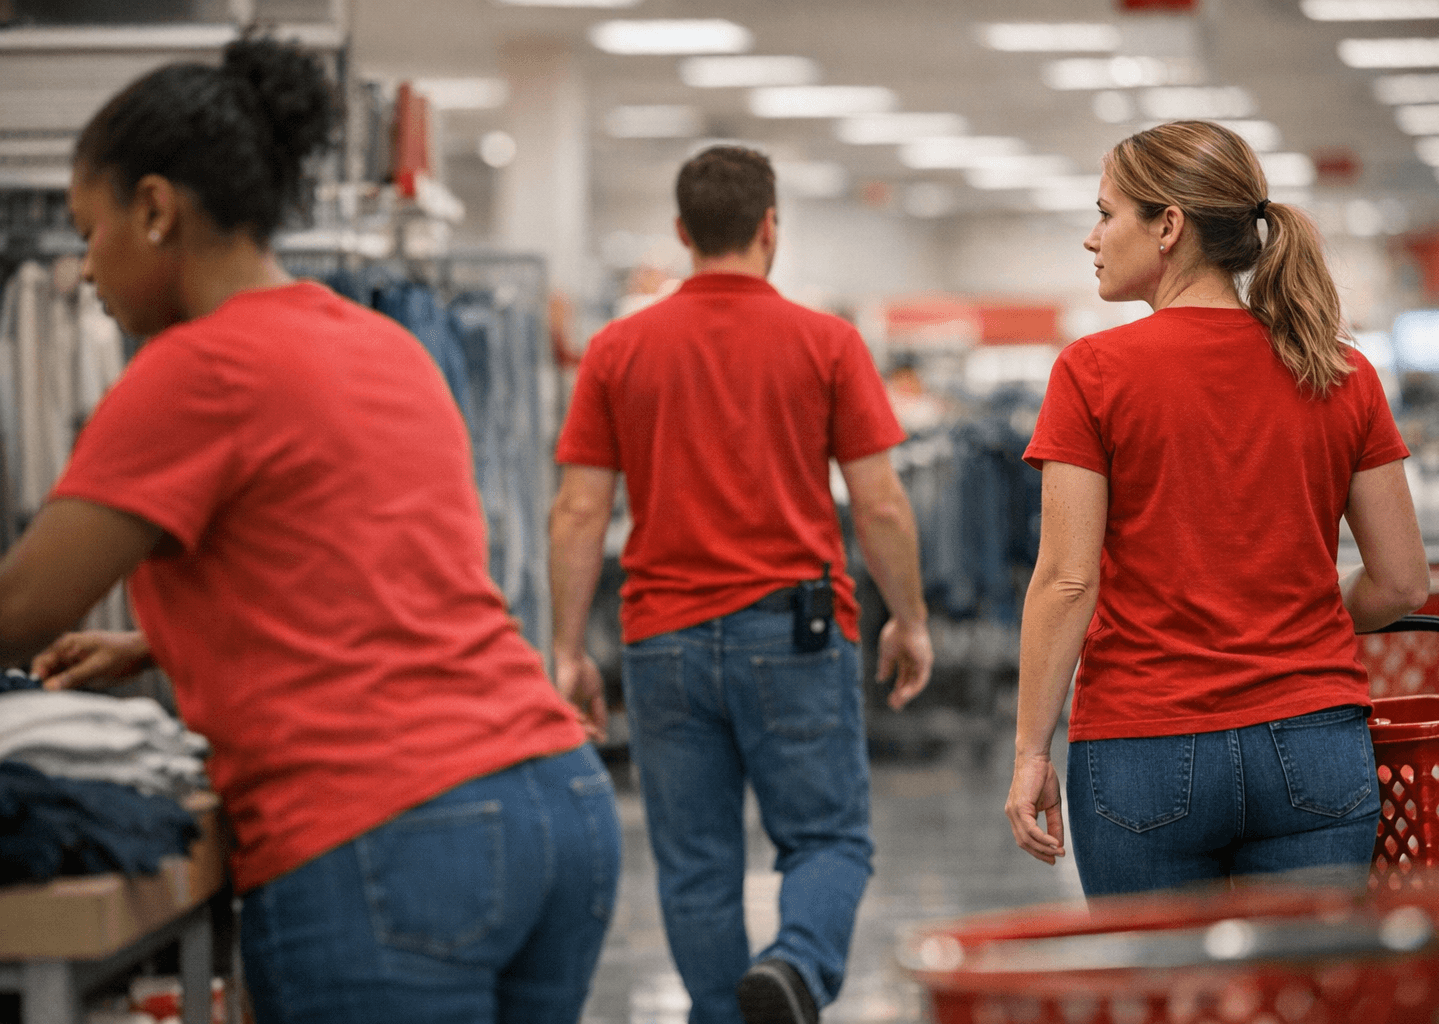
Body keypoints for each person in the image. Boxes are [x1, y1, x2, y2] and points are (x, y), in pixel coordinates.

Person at [3, 37, 619, 1023]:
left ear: (156, 210)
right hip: (558, 799)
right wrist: (158, 640)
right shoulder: (383, 346)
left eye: (90, 232)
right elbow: (392, 577)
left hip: (391, 833)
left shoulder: (190, 369)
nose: (82, 272)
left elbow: (19, 608)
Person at [549, 145, 933, 1024]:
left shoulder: (617, 349)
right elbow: (880, 505)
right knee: (829, 839)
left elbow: (576, 513)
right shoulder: (827, 343)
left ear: (683, 234)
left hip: (660, 642)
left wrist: (568, 650)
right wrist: (908, 619)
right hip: (793, 633)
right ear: (770, 229)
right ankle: (797, 968)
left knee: (694, 865)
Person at [1004, 121, 1429, 896]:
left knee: (1165, 1003)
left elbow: (1068, 582)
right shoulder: (1338, 370)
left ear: (1168, 225)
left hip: (1144, 748)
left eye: (1106, 213)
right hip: (1316, 745)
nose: (1091, 237)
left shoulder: (1094, 372)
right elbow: (1402, 584)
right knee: (1300, 1006)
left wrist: (1032, 750)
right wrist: (1300, 608)